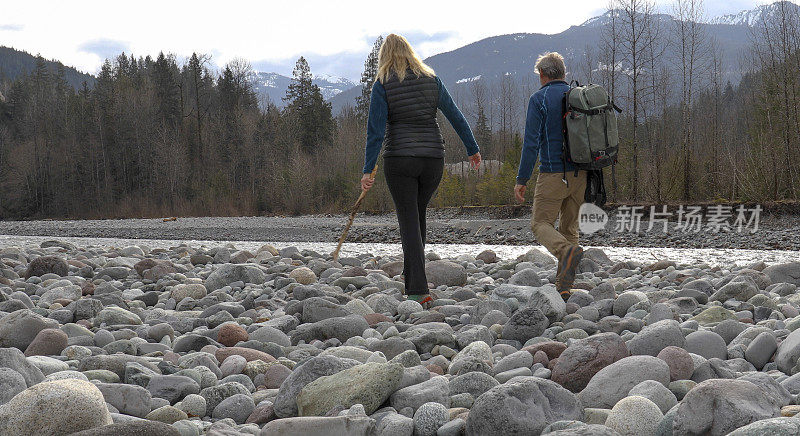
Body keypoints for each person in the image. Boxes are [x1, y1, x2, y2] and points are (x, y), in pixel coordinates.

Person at [361, 34, 481, 306]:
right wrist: (472, 149)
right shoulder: (432, 80)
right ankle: (412, 272)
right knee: (416, 215)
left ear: (385, 56)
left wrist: (368, 170)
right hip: (432, 160)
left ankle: (417, 288)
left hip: (400, 160)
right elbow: (455, 115)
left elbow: (375, 132)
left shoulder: (383, 84)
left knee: (408, 220)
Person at [514, 52, 586, 302]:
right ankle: (563, 287)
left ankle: (566, 252)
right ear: (563, 73)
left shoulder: (539, 99)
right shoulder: (579, 95)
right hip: (583, 174)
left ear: (543, 75)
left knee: (540, 224)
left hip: (553, 173)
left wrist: (522, 179)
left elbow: (531, 144)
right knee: (569, 227)